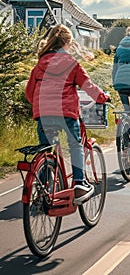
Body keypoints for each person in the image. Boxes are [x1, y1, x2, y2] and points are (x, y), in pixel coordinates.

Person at [25, 24, 110, 204]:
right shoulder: (71, 63)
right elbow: (87, 86)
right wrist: (103, 98)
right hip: (66, 113)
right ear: (68, 43)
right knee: (75, 144)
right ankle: (79, 183)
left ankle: (45, 186)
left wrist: (41, 107)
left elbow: (29, 92)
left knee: (46, 150)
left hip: (43, 113)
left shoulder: (40, 63)